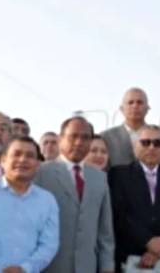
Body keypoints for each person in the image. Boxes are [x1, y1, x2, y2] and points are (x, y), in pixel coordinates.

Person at [35, 115, 116, 273]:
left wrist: (107, 266)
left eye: (85, 137)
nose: (79, 142)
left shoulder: (99, 178)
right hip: (49, 266)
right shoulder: (41, 173)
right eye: (73, 136)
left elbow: (105, 231)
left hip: (87, 266)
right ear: (60, 139)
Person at [0, 136, 59, 273]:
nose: (22, 160)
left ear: (38, 164)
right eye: (16, 154)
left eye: (30, 156)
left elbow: (49, 244)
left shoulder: (47, 200)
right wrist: (0, 268)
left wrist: (26, 268)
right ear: (3, 160)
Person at [109, 124, 160, 272]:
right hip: (129, 255)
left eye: (158, 143)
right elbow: (120, 214)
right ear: (134, 146)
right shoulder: (119, 175)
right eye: (145, 142)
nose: (152, 147)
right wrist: (148, 241)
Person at [99, 87, 151, 169]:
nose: (135, 106)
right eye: (130, 103)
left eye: (139, 102)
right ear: (121, 109)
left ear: (147, 108)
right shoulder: (106, 137)